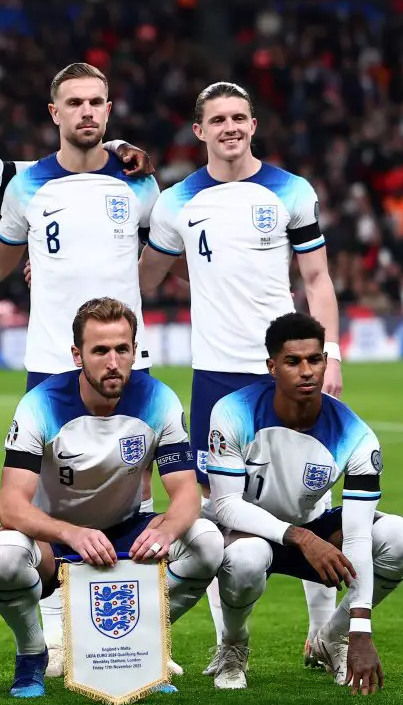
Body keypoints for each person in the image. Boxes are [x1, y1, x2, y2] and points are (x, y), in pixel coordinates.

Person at [139, 81, 345, 663]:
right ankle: (232, 643)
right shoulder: (177, 202)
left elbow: (317, 281)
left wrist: (331, 359)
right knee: (219, 512)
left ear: (253, 125)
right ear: (199, 131)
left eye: (240, 117)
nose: (230, 127)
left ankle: (321, 638)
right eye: (218, 119)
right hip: (217, 378)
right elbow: (144, 278)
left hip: (287, 368)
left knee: (310, 499)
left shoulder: (290, 191)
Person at [0, 63, 161, 677]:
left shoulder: (142, 185)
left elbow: (154, 260)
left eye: (97, 102)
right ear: (53, 112)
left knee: (137, 490)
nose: (87, 112)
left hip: (124, 359)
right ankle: (57, 628)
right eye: (75, 102)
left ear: (110, 111)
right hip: (51, 361)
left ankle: (141, 638)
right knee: (52, 496)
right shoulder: (28, 186)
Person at [0, 298, 222, 698]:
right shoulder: (40, 404)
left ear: (134, 351)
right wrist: (72, 533)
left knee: (207, 541)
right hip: (54, 537)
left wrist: (166, 529)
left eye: (122, 349)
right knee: (3, 555)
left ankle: (144, 647)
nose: (113, 361)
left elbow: (185, 493)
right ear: (78, 355)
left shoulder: (159, 400)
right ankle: (32, 655)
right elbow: (10, 505)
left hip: (125, 533)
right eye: (100, 351)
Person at [205, 313, 403, 693]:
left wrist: (360, 629)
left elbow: (355, 537)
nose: (307, 371)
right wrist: (300, 537)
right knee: (246, 560)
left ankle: (329, 639)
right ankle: (233, 645)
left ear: (325, 361)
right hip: (248, 532)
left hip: (314, 532)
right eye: (293, 361)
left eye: (315, 360)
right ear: (272, 367)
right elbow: (225, 506)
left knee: (400, 538)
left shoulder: (355, 435)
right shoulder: (232, 411)